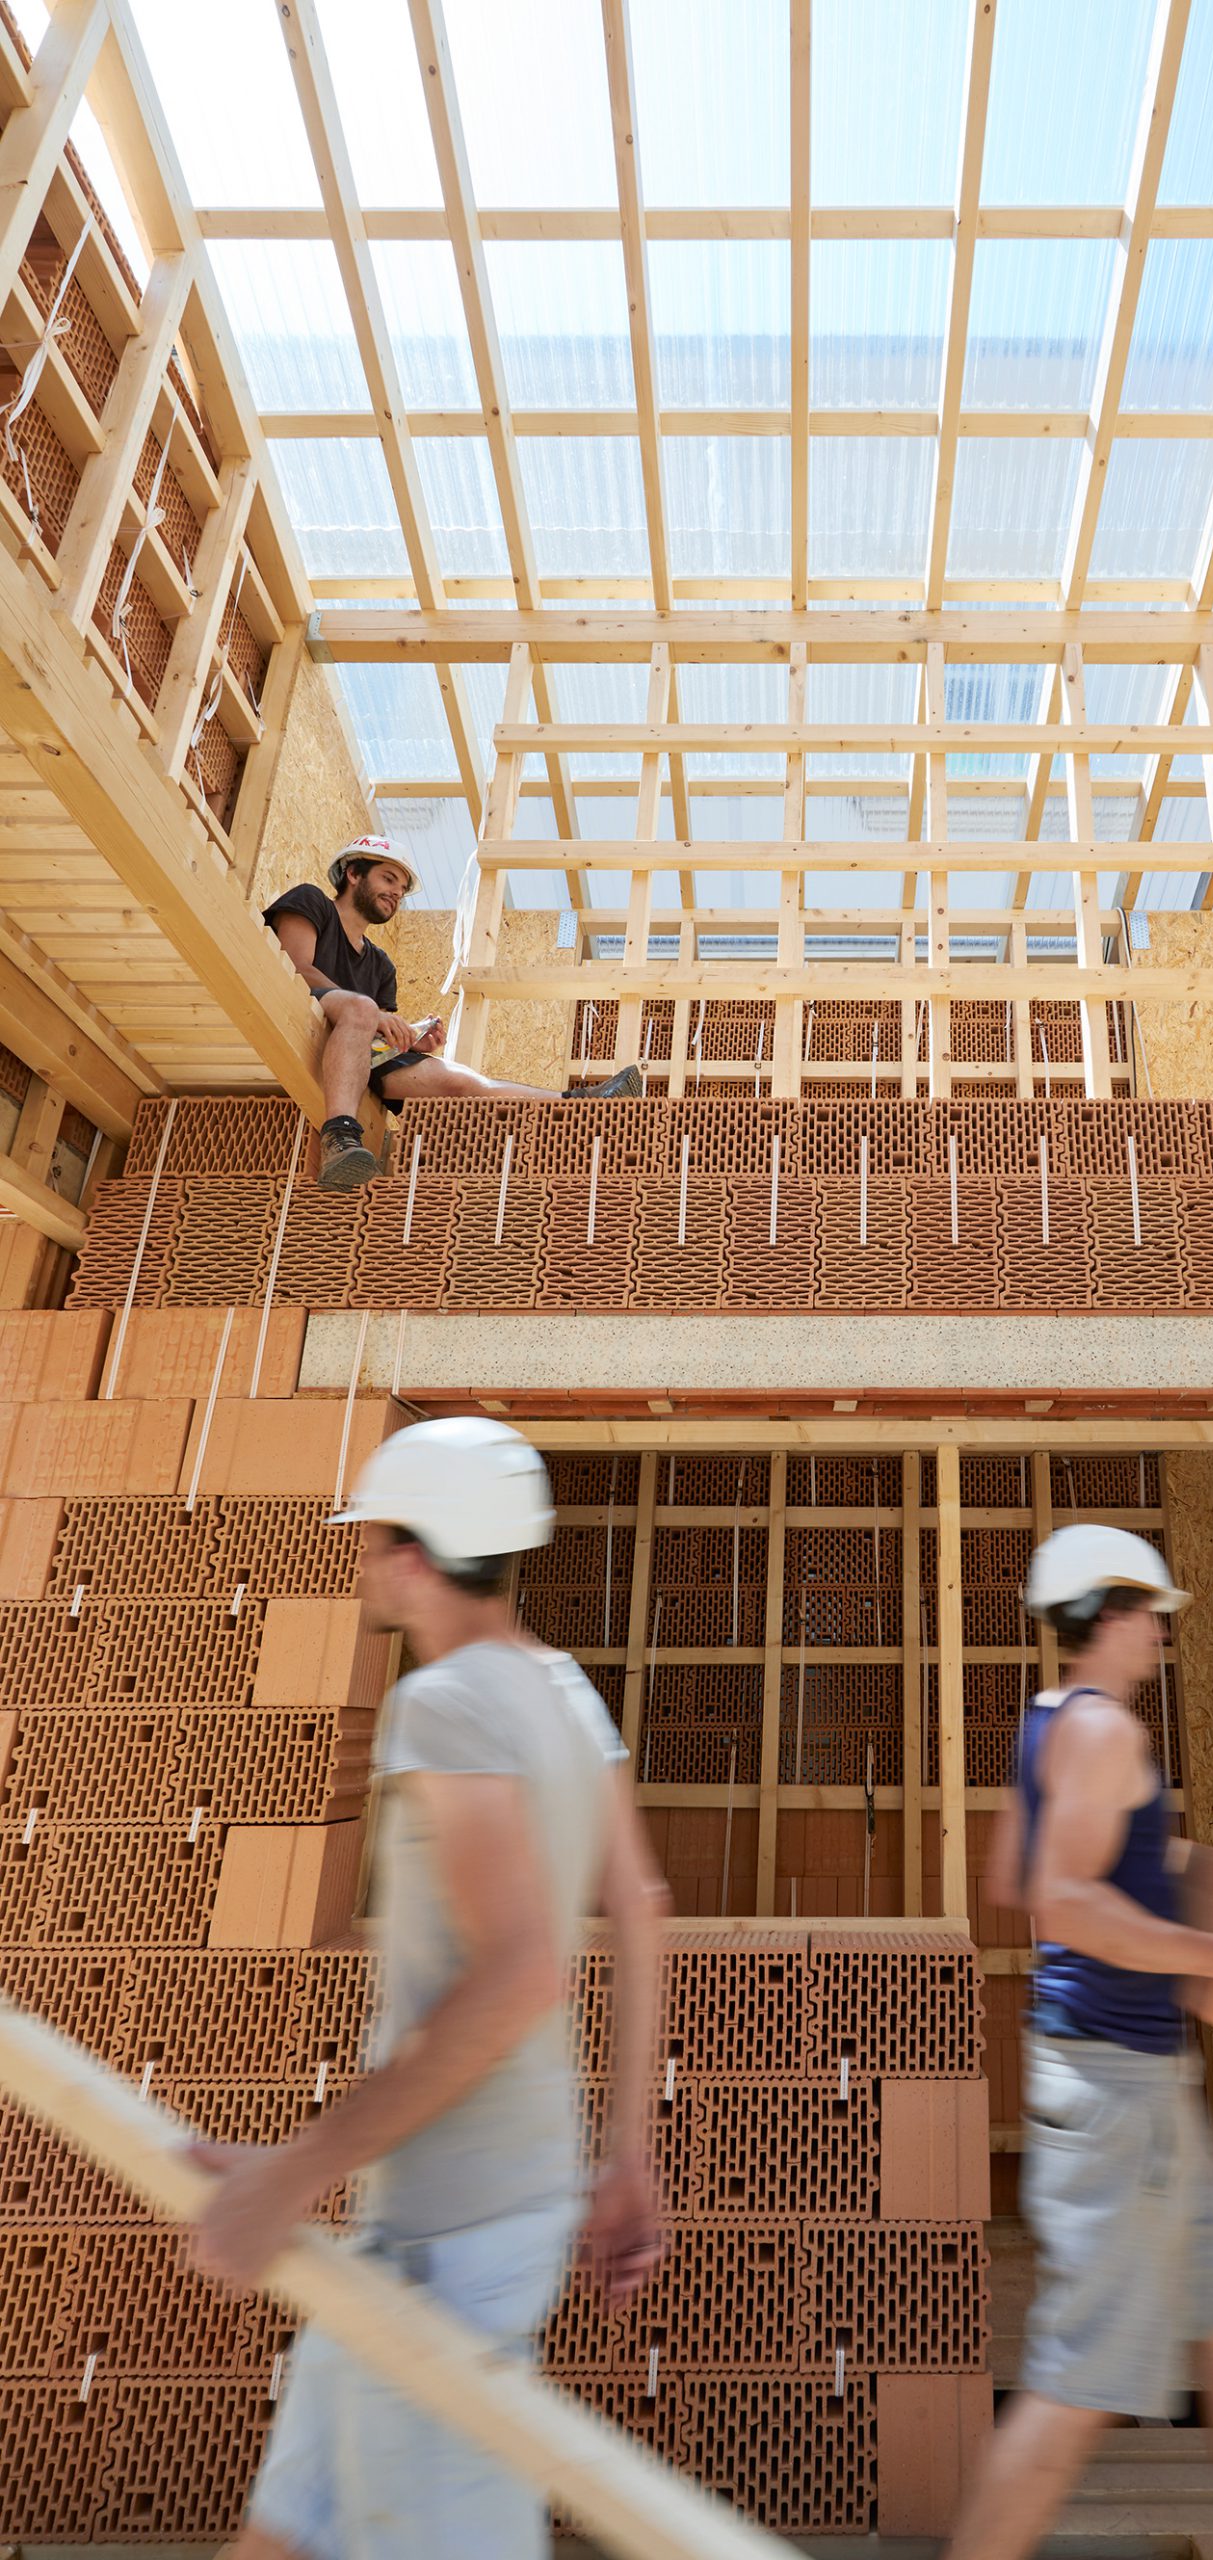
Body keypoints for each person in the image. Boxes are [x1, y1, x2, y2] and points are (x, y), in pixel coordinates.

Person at [189, 1415, 669, 2560]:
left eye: (373, 1543)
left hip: (447, 2245)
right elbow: (643, 1909)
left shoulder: (444, 1705)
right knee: (282, 2540)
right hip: (479, 2207)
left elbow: (516, 1979)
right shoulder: (564, 1690)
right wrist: (628, 2155)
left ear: (414, 1554)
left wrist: (287, 2176)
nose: (364, 1566)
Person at [945, 1525, 1213, 2560]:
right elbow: (1062, 1899)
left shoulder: (1048, 1722)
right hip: (1118, 2098)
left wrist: (1168, 1880)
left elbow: (1017, 1878)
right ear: (1110, 1612)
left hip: (1136, 2085)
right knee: (1075, 2389)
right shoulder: (1105, 1732)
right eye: (1151, 1611)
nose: (1161, 1630)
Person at [264, 837, 643, 1191]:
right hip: (304, 1016)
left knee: (463, 1082)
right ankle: (339, 1133)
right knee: (363, 1008)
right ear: (353, 873)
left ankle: (579, 1102)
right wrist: (368, 1013)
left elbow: (375, 1040)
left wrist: (409, 1038)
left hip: (359, 1054)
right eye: (388, 878)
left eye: (401, 889)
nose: (396, 892)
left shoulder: (380, 966)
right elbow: (294, 967)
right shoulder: (313, 903)